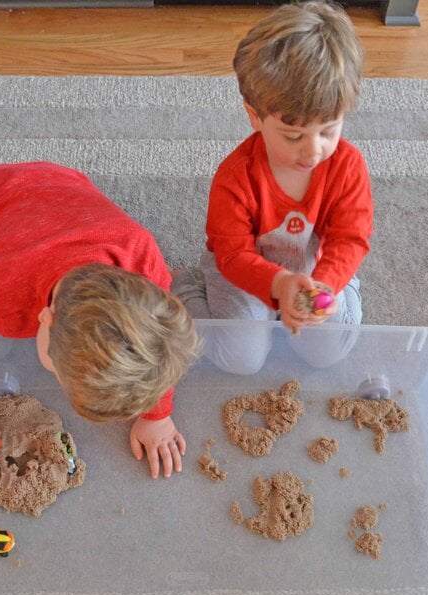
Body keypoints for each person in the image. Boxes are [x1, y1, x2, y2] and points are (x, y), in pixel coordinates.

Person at [0, 162, 201, 479]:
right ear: (44, 319)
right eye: (59, 372)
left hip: (65, 183)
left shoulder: (144, 258)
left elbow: (158, 349)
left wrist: (157, 415)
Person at [173, 0, 372, 374]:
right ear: (255, 117)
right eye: (293, 136)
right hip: (244, 268)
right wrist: (278, 285)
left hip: (315, 269)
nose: (314, 150)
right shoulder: (236, 175)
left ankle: (337, 292)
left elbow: (351, 240)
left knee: (329, 352)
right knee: (241, 362)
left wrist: (323, 286)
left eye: (328, 131)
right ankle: (187, 284)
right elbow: (231, 254)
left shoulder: (347, 166)